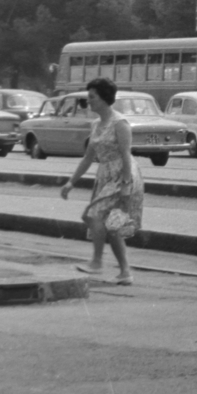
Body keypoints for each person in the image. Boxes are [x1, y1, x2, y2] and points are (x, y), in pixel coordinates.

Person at [61, 77, 142, 286]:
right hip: (105, 175)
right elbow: (88, 157)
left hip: (121, 175)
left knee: (94, 215)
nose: (89, 101)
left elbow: (125, 155)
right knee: (112, 226)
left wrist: (125, 186)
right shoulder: (96, 124)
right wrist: (72, 182)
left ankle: (97, 262)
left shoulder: (120, 123)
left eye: (92, 97)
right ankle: (125, 272)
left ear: (104, 98)